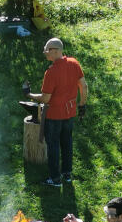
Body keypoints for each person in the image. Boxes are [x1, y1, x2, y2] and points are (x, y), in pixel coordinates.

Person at [27, 37, 88, 186]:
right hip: (70, 112)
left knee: (53, 145)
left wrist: (29, 95)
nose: (45, 53)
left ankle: (55, 179)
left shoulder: (51, 72)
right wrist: (82, 105)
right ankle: (67, 174)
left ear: (55, 51)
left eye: (46, 50)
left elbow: (46, 98)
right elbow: (84, 86)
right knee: (67, 143)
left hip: (54, 116)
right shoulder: (74, 63)